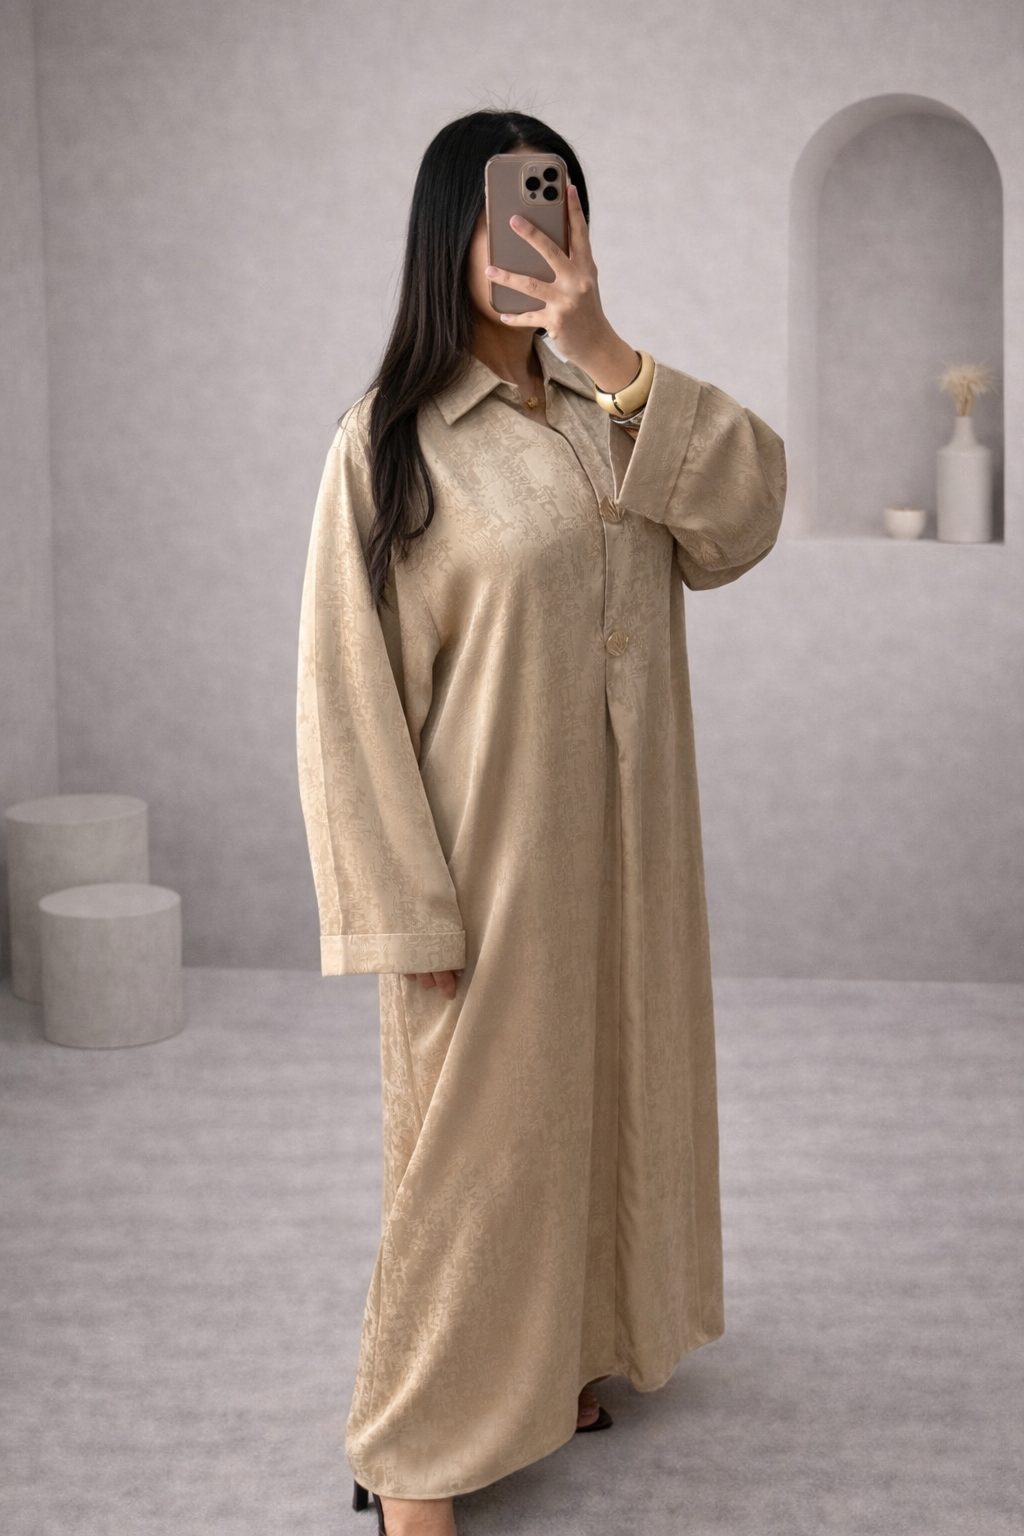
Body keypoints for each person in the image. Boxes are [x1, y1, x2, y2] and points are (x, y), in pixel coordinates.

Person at [296, 109, 787, 1536]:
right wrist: (404, 911)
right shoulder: (388, 444)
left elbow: (744, 517)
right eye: (511, 210)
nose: (537, 235)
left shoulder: (611, 413)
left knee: (613, 1093)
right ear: (449, 232)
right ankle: (414, 1454)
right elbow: (346, 695)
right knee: (480, 1152)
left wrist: (610, 350)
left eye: (559, 208)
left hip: (631, 850)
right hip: (489, 864)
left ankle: (565, 1358)